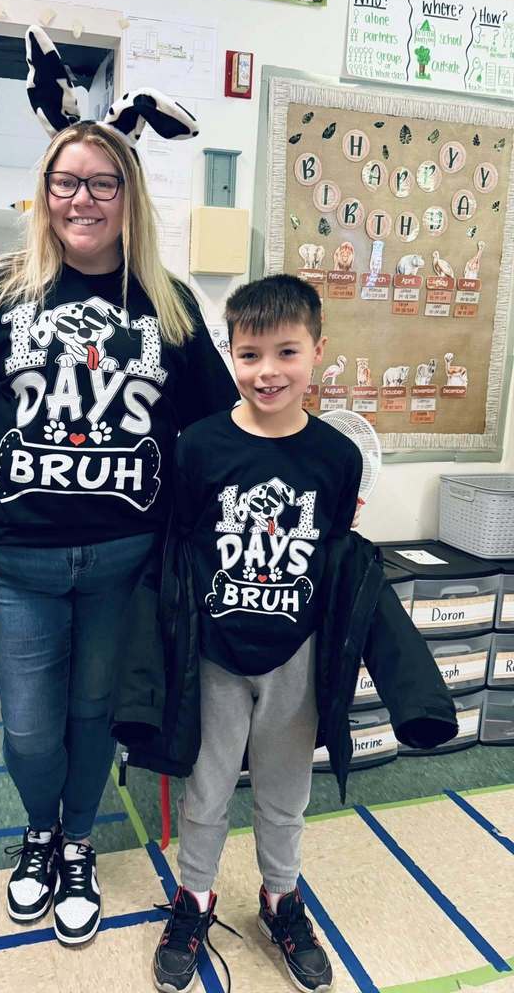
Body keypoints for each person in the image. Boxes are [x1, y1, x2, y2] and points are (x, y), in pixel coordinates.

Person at [0, 26, 236, 948]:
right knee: (26, 729)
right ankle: (39, 832)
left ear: (127, 197)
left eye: (102, 183)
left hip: (123, 562)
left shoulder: (168, 303)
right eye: (67, 182)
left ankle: (81, 841)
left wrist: (296, 465)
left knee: (97, 713)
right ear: (44, 193)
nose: (82, 198)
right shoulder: (0, 295)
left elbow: (213, 431)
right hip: (15, 561)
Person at [152, 275, 362, 993]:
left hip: (294, 656)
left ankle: (281, 900)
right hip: (214, 653)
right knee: (205, 791)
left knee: (284, 793)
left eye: (285, 352)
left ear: (317, 353)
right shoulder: (199, 447)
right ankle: (195, 900)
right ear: (230, 355)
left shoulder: (337, 457)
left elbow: (334, 552)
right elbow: (182, 545)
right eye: (248, 355)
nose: (266, 371)